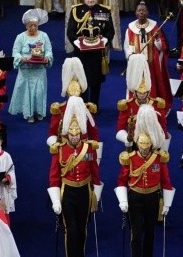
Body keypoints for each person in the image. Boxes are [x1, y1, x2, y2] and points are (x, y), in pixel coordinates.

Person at [116, 104, 175, 257]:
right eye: (141, 146)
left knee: (150, 233)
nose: (143, 149)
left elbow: (166, 180)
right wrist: (123, 200)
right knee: (136, 234)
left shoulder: (158, 158)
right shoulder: (130, 158)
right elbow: (122, 180)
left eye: (146, 146)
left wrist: (167, 203)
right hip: (135, 197)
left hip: (152, 198)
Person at [47, 96, 102, 257]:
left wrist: (96, 196)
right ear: (66, 134)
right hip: (67, 192)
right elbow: (54, 177)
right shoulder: (59, 149)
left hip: (84, 191)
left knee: (82, 228)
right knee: (70, 229)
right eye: (71, 135)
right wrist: (56, 201)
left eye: (77, 134)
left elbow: (95, 172)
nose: (74, 137)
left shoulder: (89, 149)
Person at [66, 0, 117, 106]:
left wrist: (105, 40)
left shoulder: (105, 11)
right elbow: (70, 31)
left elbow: (110, 31)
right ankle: (82, 106)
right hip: (81, 53)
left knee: (96, 81)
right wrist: (76, 42)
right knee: (81, 78)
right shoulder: (76, 10)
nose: (90, 0)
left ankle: (94, 105)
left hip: (97, 53)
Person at [123, 0, 173, 106]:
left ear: (148, 12)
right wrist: (131, 56)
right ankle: (135, 105)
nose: (141, 13)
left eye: (144, 10)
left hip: (151, 65)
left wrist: (157, 39)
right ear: (135, 12)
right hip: (136, 64)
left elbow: (162, 47)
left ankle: (153, 104)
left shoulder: (155, 28)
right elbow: (127, 46)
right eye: (139, 10)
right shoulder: (130, 29)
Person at [8, 8, 54, 123]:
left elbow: (49, 50)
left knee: (39, 92)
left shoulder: (44, 36)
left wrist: (47, 56)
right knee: (27, 93)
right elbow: (15, 53)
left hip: (39, 71)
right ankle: (28, 114)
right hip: (26, 71)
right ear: (26, 26)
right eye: (30, 26)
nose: (33, 28)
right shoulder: (20, 37)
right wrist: (21, 58)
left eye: (35, 25)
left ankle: (39, 112)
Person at [116, 54, 169, 150]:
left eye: (144, 93)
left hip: (153, 143)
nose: (142, 95)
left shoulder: (157, 105)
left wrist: (163, 144)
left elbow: (163, 126)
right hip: (135, 144)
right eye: (139, 93)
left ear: (148, 92)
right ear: (135, 92)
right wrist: (127, 139)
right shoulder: (127, 106)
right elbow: (120, 128)